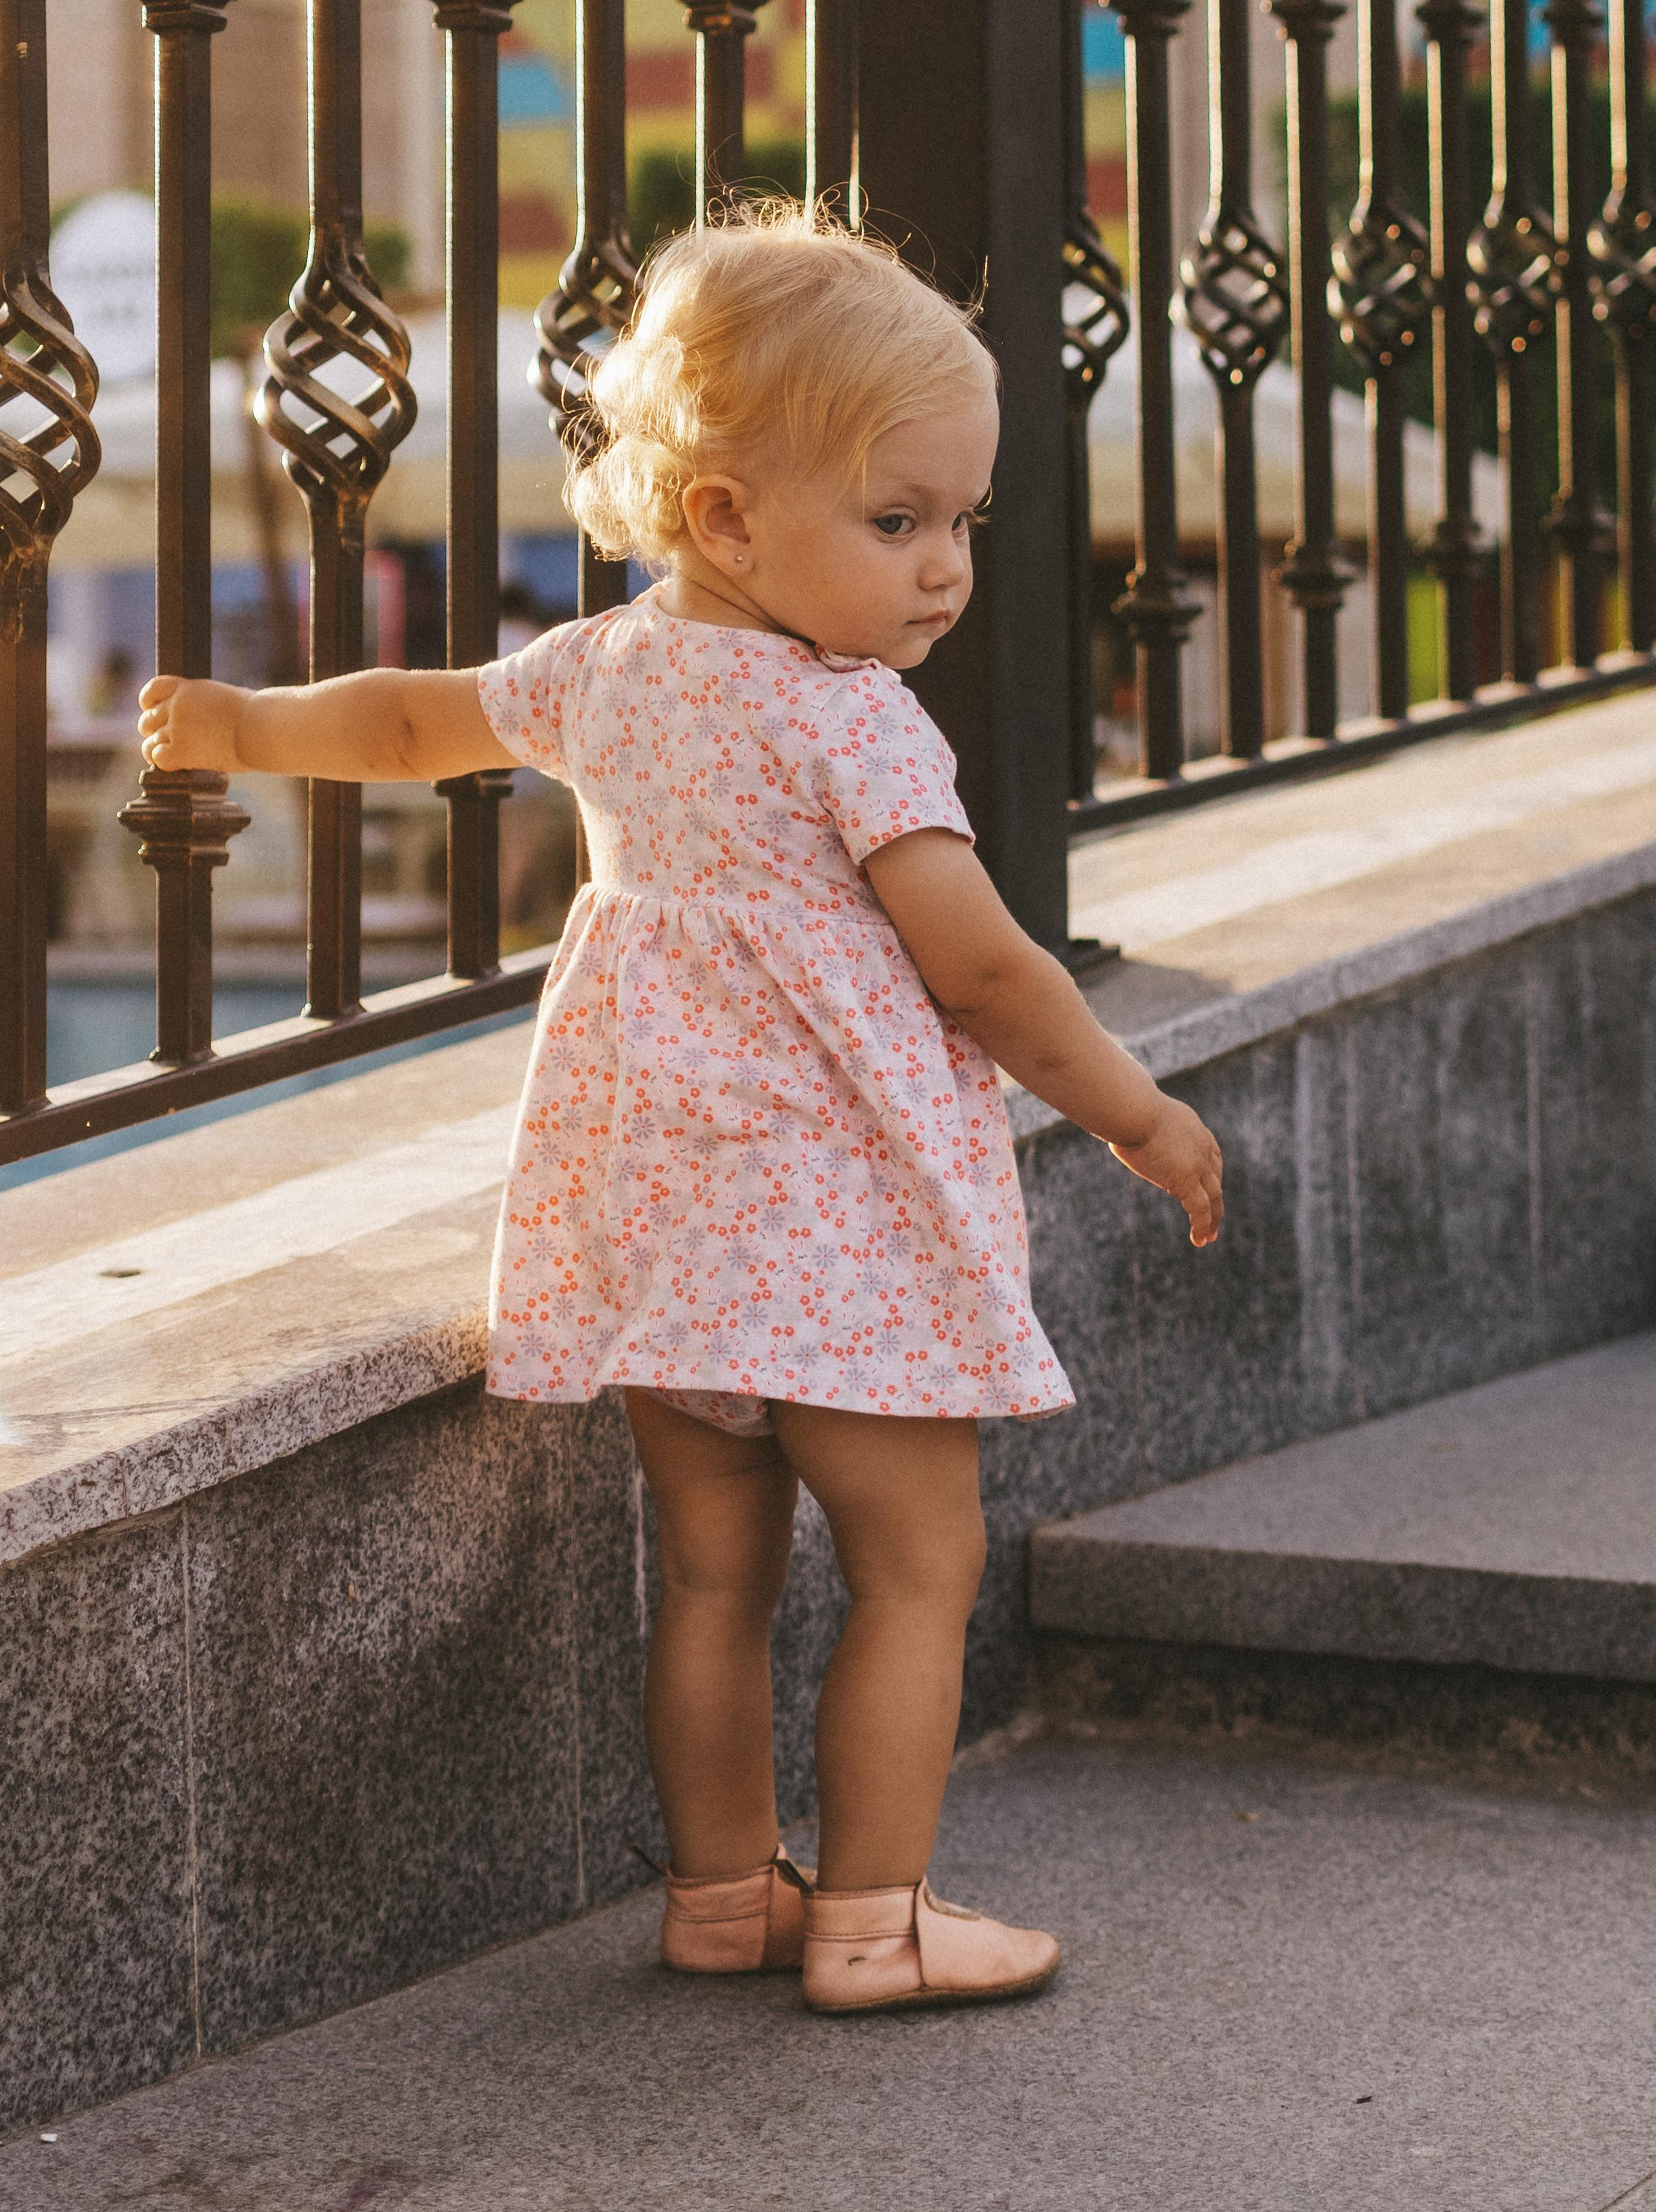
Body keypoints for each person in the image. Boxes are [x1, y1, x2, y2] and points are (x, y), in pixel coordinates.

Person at [138, 206, 1224, 2018]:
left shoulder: (607, 671)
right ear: (727, 514)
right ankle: (875, 1922)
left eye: (963, 522)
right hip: (836, 1235)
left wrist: (245, 728)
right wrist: (1136, 1114)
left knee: (713, 1573)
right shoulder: (851, 722)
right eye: (899, 524)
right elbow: (986, 972)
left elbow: (412, 724)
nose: (945, 569)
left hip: (654, 1213)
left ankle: (723, 1896)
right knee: (915, 1569)